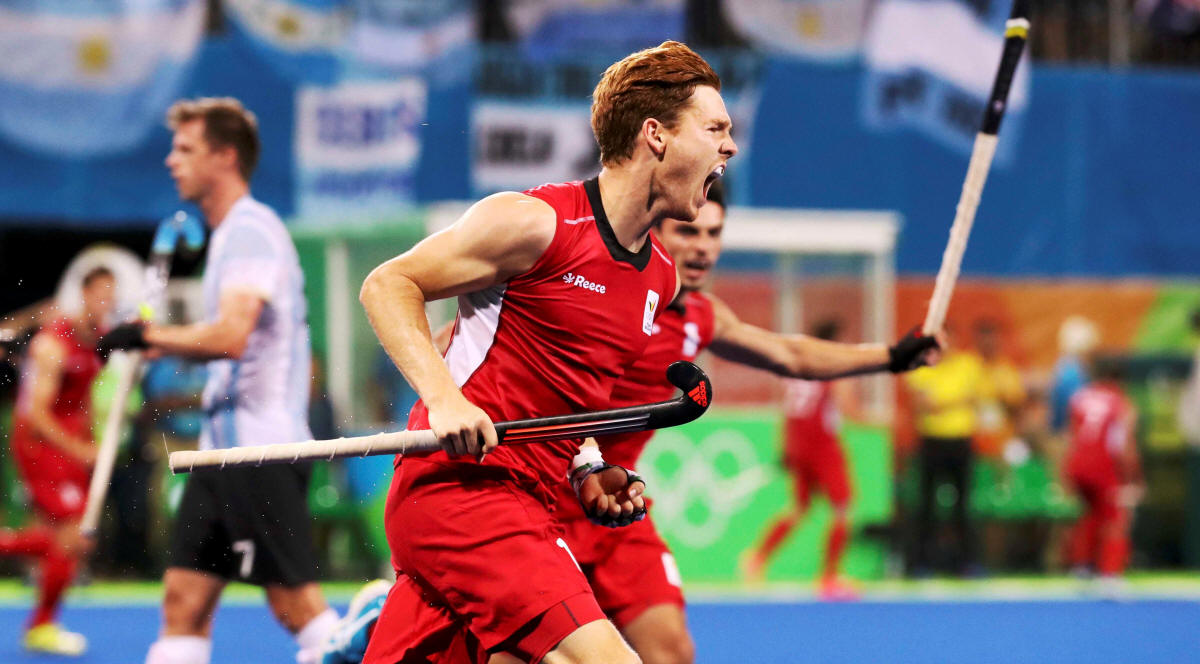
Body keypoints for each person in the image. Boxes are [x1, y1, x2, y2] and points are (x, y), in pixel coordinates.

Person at [324, 173, 940, 663]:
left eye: (715, 234)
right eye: (690, 231)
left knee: (669, 650)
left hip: (608, 504)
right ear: (657, 231)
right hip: (524, 493)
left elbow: (791, 354)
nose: (702, 246)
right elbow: (456, 344)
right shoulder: (576, 274)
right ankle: (395, 616)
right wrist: (444, 398)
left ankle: (400, 617)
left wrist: (890, 357)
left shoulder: (695, 314)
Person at [355, 41, 733, 664]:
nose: (729, 147)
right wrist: (445, 401)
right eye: (715, 128)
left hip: (533, 501)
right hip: (463, 492)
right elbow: (388, 285)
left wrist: (586, 466)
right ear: (656, 135)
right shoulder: (536, 223)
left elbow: (570, 395)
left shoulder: (659, 279)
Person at [97, 97, 339, 664]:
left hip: (258, 452)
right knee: (183, 603)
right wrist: (152, 343)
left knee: (296, 608)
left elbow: (232, 336)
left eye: (185, 149)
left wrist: (149, 336)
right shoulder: (229, 235)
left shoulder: (251, 231)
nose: (170, 161)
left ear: (225, 157)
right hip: (218, 454)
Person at [1, 266, 115, 655]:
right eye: (100, 294)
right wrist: (77, 449)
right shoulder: (52, 344)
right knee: (73, 535)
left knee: (68, 541)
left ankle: (42, 625)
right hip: (39, 443)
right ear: (84, 294)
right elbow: (36, 414)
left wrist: (92, 443)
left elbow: (83, 399)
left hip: (67, 444)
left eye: (111, 295)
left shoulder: (97, 341)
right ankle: (41, 626)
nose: (107, 302)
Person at [743, 319, 862, 601]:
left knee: (798, 508)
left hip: (798, 446)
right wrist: (879, 421)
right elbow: (848, 408)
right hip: (823, 445)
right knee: (843, 510)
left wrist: (786, 448)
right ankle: (830, 577)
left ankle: (757, 557)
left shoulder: (797, 369)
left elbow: (787, 410)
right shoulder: (832, 368)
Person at [904, 325, 984, 576]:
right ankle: (921, 563)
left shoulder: (969, 364)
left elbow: (973, 399)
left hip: (961, 441)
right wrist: (956, 400)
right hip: (932, 440)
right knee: (926, 504)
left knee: (963, 505)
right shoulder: (922, 366)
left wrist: (940, 402)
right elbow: (922, 404)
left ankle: (966, 562)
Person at [1063, 360, 1141, 595]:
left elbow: (1070, 436)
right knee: (1116, 519)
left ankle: (1081, 568)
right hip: (1103, 465)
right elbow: (1124, 444)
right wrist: (1133, 476)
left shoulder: (1080, 397)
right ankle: (1110, 574)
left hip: (1078, 463)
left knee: (1089, 516)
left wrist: (1065, 471)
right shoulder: (1122, 402)